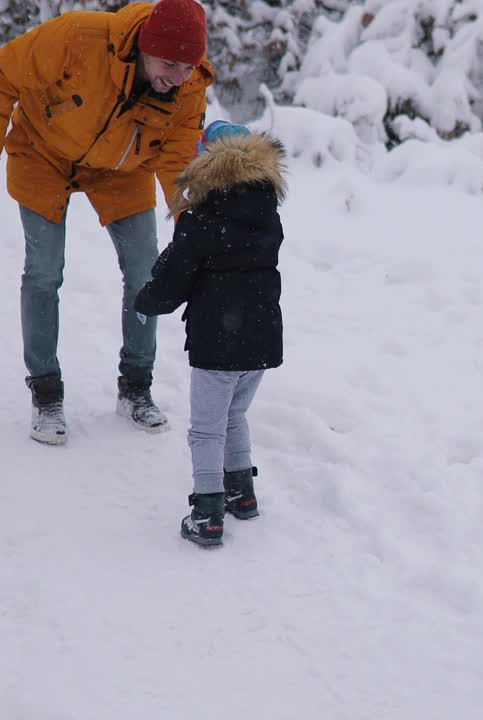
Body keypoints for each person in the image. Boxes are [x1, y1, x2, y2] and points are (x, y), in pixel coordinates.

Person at [0, 0, 214, 445]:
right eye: (169, 64)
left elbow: (176, 158)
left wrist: (187, 218)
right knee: (44, 271)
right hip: (43, 153)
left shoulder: (188, 85)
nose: (178, 77)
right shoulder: (80, 37)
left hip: (124, 167)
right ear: (144, 48)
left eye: (187, 67)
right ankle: (45, 391)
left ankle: (136, 386)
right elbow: (2, 73)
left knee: (144, 271)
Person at [134, 122, 286, 546]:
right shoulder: (266, 211)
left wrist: (147, 300)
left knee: (206, 428)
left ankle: (207, 511)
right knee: (235, 415)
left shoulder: (203, 215)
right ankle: (241, 492)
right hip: (261, 336)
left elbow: (175, 275)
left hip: (219, 338)